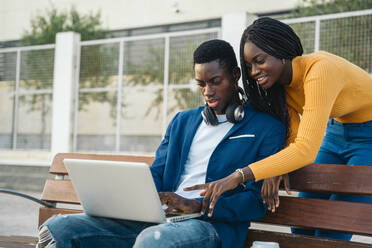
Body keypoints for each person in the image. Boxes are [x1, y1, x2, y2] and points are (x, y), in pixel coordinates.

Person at [36, 39, 285, 248]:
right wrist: (141, 199)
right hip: (159, 221)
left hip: (211, 227)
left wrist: (196, 205)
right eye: (201, 84)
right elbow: (158, 172)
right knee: (60, 227)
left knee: (153, 240)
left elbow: (256, 202)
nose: (207, 91)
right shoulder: (182, 121)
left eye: (215, 81)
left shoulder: (265, 128)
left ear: (235, 75)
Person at [185, 17, 372, 241]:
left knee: (334, 225)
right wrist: (274, 169)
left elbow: (305, 149)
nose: (254, 71)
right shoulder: (281, 86)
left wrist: (238, 176)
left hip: (369, 137)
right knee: (302, 221)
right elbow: (293, 140)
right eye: (249, 65)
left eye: (260, 60)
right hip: (335, 131)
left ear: (281, 50)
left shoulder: (320, 71)